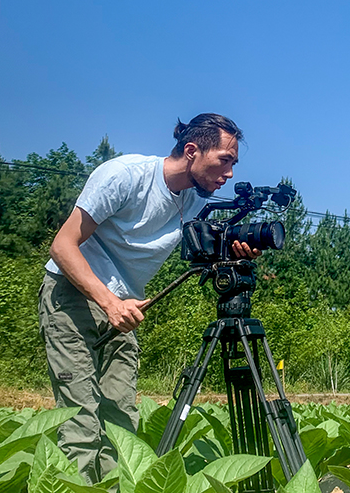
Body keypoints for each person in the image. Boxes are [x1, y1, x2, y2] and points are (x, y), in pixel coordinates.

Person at [38, 113, 261, 485]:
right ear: (192, 151)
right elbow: (62, 245)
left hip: (125, 306)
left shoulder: (190, 200)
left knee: (120, 420)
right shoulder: (125, 176)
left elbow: (201, 251)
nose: (230, 174)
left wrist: (236, 251)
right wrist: (110, 302)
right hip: (74, 296)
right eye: (225, 160)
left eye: (234, 163)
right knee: (81, 418)